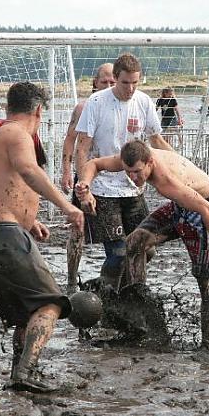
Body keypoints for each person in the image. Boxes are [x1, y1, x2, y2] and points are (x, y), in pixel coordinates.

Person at [0, 81, 84, 393]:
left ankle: (18, 375)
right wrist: (68, 208)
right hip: (1, 233)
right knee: (51, 304)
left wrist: (30, 221)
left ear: (9, 106)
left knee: (25, 313)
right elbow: (29, 172)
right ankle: (26, 372)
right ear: (38, 110)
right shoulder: (17, 134)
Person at [76, 140, 209, 348]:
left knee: (205, 280)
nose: (133, 178)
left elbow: (208, 211)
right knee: (134, 243)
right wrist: (85, 187)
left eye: (137, 172)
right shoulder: (130, 157)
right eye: (128, 172)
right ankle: (141, 310)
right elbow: (94, 164)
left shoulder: (167, 181)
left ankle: (207, 344)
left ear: (150, 162)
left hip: (204, 207)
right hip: (179, 206)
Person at [72, 53, 172, 291]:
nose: (130, 88)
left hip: (133, 186)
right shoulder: (96, 103)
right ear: (115, 78)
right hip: (103, 186)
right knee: (118, 253)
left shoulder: (144, 102)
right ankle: (108, 296)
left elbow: (156, 139)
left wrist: (182, 165)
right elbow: (82, 147)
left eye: (135, 83)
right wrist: (83, 188)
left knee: (145, 249)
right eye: (126, 83)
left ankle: (122, 290)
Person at [60, 63, 116, 291]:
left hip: (115, 180)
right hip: (86, 177)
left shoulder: (123, 104)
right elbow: (70, 139)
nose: (109, 86)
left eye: (113, 82)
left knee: (116, 236)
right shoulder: (83, 107)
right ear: (95, 82)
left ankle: (110, 279)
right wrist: (66, 170)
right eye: (105, 82)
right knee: (78, 229)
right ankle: (72, 278)